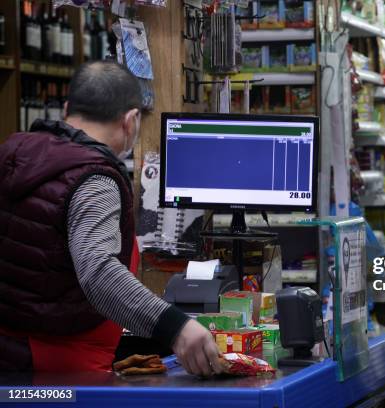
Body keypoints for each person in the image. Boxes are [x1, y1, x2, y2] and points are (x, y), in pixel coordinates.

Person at [0, 61, 222, 376]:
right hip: (56, 368)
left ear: (67, 109)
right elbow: (98, 270)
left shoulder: (13, 153)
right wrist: (176, 328)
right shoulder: (92, 179)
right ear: (130, 121)